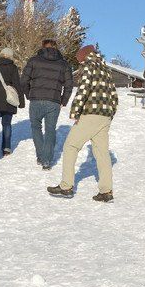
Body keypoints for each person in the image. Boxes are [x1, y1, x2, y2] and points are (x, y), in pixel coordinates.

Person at [48, 45, 119, 202]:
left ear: (84, 57)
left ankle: (66, 186)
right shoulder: (106, 69)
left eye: (80, 61)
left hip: (90, 114)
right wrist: (110, 113)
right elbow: (114, 95)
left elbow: (83, 90)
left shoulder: (89, 66)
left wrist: (75, 112)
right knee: (102, 153)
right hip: (105, 116)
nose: (80, 64)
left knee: (70, 146)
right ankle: (106, 191)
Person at [21, 39, 74, 170]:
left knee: (36, 127)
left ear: (43, 47)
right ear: (56, 48)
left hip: (36, 99)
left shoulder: (34, 61)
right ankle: (46, 160)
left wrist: (29, 94)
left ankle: (41, 156)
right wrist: (64, 100)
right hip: (53, 101)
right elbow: (69, 85)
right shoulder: (64, 64)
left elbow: (23, 81)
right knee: (50, 129)